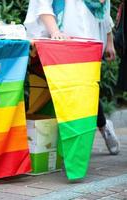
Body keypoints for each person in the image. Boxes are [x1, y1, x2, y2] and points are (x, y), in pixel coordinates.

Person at [24, 0, 120, 155]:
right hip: (62, 41)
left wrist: (109, 41)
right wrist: (55, 31)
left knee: (86, 90)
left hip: (92, 40)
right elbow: (42, 4)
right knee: (71, 90)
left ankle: (99, 127)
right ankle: (96, 129)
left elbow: (104, 7)